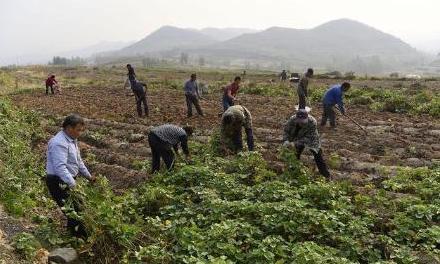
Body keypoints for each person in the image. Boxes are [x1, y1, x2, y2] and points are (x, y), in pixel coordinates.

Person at [46, 114, 96, 237]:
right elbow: (60, 168)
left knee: (76, 210)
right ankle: (80, 239)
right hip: (58, 182)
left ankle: (73, 235)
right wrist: (73, 184)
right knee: (75, 212)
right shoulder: (59, 143)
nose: (80, 133)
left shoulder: (72, 140)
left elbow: (78, 161)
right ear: (69, 128)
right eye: (78, 130)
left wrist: (89, 177)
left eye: (81, 130)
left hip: (67, 180)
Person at [283, 110, 330, 178]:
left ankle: (326, 175)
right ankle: (294, 172)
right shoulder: (292, 120)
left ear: (307, 118)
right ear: (296, 119)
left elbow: (308, 138)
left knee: (318, 155)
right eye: (300, 122)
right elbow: (286, 131)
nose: (302, 124)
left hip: (312, 139)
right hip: (297, 136)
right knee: (295, 154)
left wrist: (295, 143)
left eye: (303, 122)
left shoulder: (312, 122)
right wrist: (286, 140)